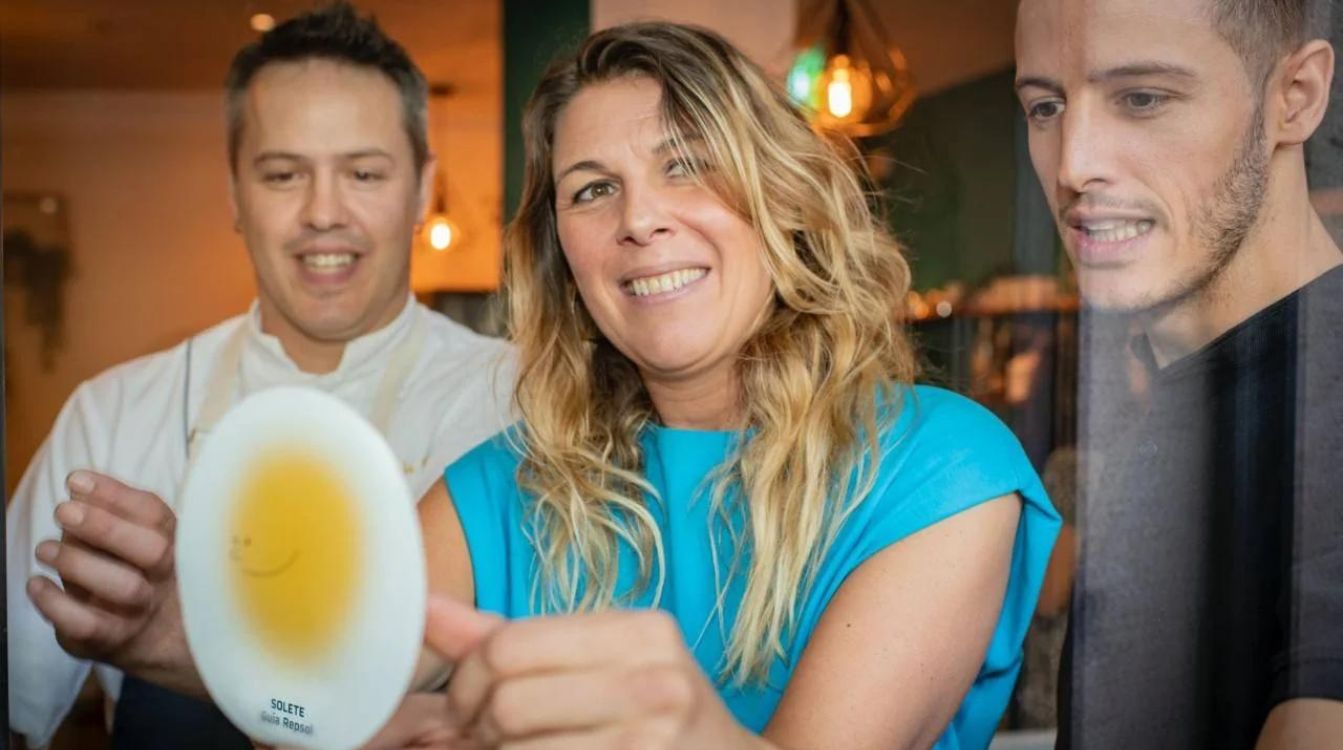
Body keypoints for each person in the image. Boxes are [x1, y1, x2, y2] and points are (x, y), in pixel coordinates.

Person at [373, 22, 1061, 750]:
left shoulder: (939, 464)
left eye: (687, 165)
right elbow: (296, 703)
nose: (637, 219)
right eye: (593, 189)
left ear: (783, 200)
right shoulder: (500, 486)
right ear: (559, 255)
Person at [5, 4, 515, 748]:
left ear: (420, 188)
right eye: (283, 174)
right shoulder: (112, 414)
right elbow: (17, 704)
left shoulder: (516, 404)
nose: (323, 213)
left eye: (365, 172)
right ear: (234, 195)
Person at [1015, 0, 1343, 746]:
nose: (1071, 164)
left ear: (1293, 98)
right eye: (1045, 106)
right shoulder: (1175, 402)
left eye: (1141, 99)